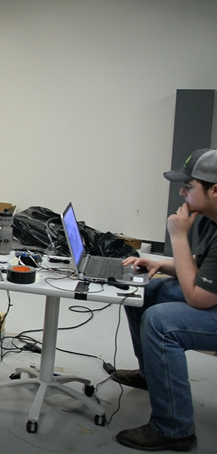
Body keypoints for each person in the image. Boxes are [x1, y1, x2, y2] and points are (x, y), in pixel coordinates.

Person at [112, 148, 217, 451]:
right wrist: (157, 263)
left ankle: (175, 429)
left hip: (209, 302)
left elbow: (199, 298)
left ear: (214, 190)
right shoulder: (211, 215)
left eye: (190, 186)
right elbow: (201, 264)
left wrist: (178, 237)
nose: (182, 192)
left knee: (162, 323)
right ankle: (152, 374)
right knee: (145, 292)